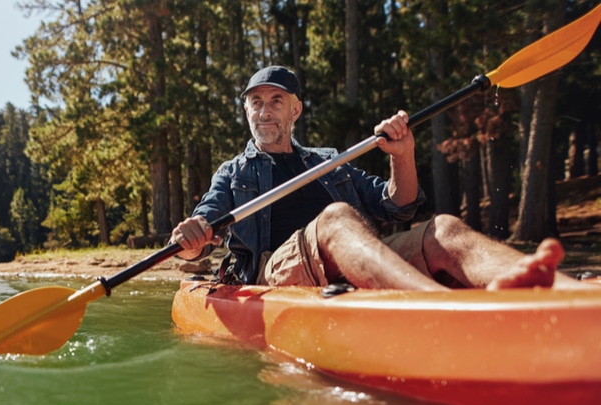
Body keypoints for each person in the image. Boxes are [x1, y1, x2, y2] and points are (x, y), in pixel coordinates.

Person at [171, 65, 593, 291]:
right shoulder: (233, 173)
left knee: (443, 228)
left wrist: (403, 155)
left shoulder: (329, 163)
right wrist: (190, 239)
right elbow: (198, 236)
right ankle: (438, 309)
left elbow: (400, 204)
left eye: (275, 101)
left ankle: (568, 291)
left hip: (345, 264)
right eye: (256, 102)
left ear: (295, 110)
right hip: (276, 272)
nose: (263, 110)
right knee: (336, 218)